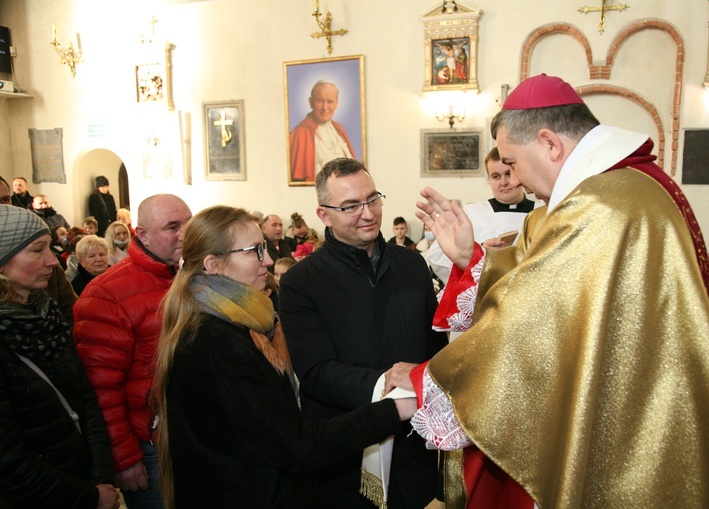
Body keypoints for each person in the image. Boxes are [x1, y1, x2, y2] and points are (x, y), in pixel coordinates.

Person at [393, 74, 709, 507]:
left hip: (628, 415)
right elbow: (543, 282)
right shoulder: (618, 187)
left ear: (549, 143)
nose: (513, 178)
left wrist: (429, 380)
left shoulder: (600, 204)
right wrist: (472, 260)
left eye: (511, 162)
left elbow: (529, 318)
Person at [152, 205, 417, 508]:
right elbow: (297, 446)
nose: (267, 260)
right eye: (254, 250)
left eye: (263, 247)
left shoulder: (233, 324)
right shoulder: (216, 343)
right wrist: (392, 410)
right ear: (214, 264)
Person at [279, 158, 447, 509]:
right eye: (351, 206)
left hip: (413, 441)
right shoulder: (300, 282)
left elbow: (435, 345)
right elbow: (315, 372)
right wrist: (389, 383)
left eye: (373, 199)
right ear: (324, 215)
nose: (368, 213)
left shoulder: (412, 264)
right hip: (345, 450)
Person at [74, 194, 192, 509]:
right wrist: (124, 459)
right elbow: (101, 389)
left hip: (191, 435)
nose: (185, 233)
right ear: (142, 234)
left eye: (188, 223)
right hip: (149, 446)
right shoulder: (106, 293)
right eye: (172, 226)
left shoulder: (190, 277)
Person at [0, 205, 120, 509]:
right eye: (37, 250)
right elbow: (9, 462)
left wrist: (101, 476)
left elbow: (85, 399)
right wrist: (89, 497)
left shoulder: (47, 315)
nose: (53, 261)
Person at [427, 146, 536, 283]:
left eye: (508, 173)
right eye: (496, 176)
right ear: (489, 179)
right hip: (485, 296)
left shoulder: (544, 210)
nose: (503, 182)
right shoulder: (470, 214)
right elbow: (436, 256)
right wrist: (479, 252)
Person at [289, 81, 356, 182]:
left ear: (336, 103)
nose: (325, 108)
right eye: (320, 101)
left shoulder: (339, 130)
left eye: (330, 102)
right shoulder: (299, 134)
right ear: (310, 102)